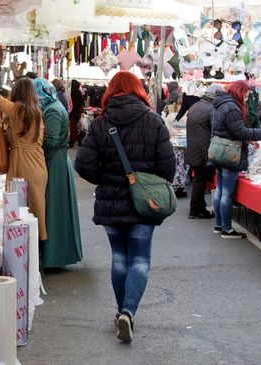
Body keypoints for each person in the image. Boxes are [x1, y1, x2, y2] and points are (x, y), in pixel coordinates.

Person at [75, 71, 176, 343]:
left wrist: (106, 180)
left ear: (110, 91)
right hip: (145, 203)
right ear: (138, 90)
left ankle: (122, 311)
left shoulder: (100, 124)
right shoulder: (153, 122)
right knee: (140, 259)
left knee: (120, 258)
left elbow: (83, 165)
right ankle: (128, 312)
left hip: (110, 202)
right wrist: (145, 180)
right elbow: (168, 167)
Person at [0, 75, 48, 241]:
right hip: (37, 164)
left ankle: (24, 253)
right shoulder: (35, 112)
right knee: (34, 210)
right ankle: (34, 255)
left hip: (24, 164)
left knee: (18, 211)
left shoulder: (20, 110)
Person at [212, 80, 261, 238]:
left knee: (220, 190)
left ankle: (219, 225)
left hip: (220, 151)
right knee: (226, 193)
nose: (246, 98)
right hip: (230, 154)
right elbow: (240, 131)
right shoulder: (232, 107)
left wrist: (248, 139)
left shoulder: (221, 104)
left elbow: (231, 130)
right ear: (240, 92)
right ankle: (226, 229)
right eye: (246, 95)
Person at [33, 78, 82, 268]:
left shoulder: (52, 109)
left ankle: (54, 256)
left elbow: (51, 140)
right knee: (56, 207)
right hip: (58, 160)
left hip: (55, 162)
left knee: (54, 208)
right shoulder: (54, 105)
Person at [185, 84, 224, 219]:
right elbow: (216, 130)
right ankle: (195, 210)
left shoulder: (196, 106)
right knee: (201, 180)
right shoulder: (211, 109)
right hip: (203, 150)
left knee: (199, 180)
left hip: (194, 148)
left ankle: (199, 208)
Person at [68, 79, 85, 148]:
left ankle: (71, 142)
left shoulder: (70, 92)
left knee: (73, 128)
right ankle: (80, 142)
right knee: (80, 127)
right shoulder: (78, 92)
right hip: (78, 112)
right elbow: (81, 103)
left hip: (72, 112)